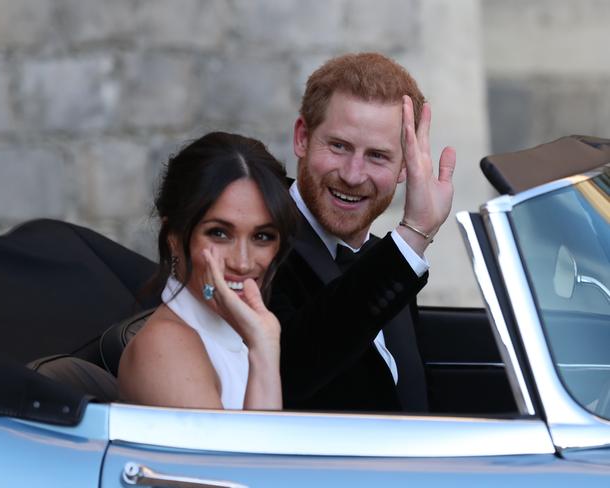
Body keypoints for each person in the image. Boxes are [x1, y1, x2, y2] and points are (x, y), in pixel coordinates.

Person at [269, 52, 456, 412]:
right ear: (302, 138)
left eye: (377, 156)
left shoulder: (384, 259)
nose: (353, 175)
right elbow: (292, 372)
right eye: (339, 146)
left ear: (405, 167)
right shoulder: (259, 243)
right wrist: (415, 234)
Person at [118, 132, 298, 410]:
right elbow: (252, 455)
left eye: (262, 237)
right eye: (219, 233)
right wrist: (264, 351)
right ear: (174, 238)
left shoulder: (235, 334)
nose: (242, 262)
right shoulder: (166, 347)